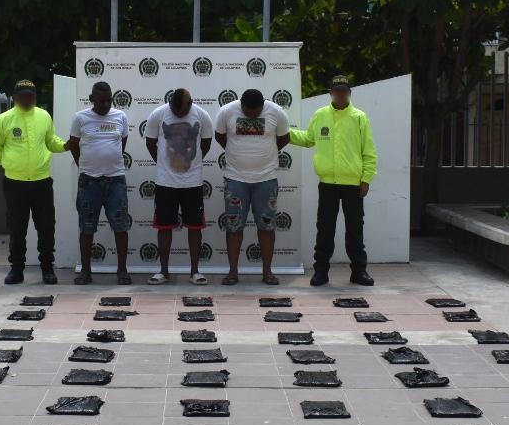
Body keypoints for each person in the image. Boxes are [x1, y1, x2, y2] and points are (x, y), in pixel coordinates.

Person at [289, 75, 378, 286]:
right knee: (325, 229)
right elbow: (308, 139)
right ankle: (321, 272)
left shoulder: (359, 117)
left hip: (353, 184)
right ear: (330, 93)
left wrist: (366, 179)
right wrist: (285, 132)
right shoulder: (320, 115)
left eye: (344, 91)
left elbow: (369, 151)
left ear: (349, 93)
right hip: (327, 183)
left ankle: (359, 272)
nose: (340, 94)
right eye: (336, 91)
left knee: (355, 229)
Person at [0, 79, 68, 285]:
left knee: (46, 227)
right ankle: (16, 269)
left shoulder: (44, 116)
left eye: (30, 96)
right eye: (22, 96)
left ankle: (47, 268)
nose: (26, 100)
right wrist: (10, 164)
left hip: (42, 182)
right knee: (17, 228)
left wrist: (65, 146)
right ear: (14, 97)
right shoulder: (3, 119)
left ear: (35, 97)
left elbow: (50, 141)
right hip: (15, 183)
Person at [213, 88, 289, 285]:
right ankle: (232, 272)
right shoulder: (227, 111)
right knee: (233, 226)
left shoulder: (276, 112)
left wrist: (267, 155)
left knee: (267, 226)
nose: (253, 115)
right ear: (242, 105)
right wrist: (236, 153)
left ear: (263, 105)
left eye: (257, 112)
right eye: (249, 112)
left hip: (266, 179)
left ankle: (267, 272)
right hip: (235, 179)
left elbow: (284, 138)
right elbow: (220, 136)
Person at [143, 88, 214, 286]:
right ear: (169, 103)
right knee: (164, 227)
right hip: (165, 182)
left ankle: (195, 272)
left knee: (195, 227)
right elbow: (150, 142)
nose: (178, 114)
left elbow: (206, 143)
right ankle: (163, 271)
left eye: (182, 111)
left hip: (193, 182)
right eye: (174, 110)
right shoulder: (158, 114)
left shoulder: (202, 115)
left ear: (191, 103)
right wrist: (163, 163)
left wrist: (192, 162)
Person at [67, 81, 132, 285]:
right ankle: (86, 272)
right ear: (91, 99)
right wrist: (85, 166)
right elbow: (73, 145)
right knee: (87, 228)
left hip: (116, 180)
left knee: (121, 226)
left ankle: (122, 271)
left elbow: (122, 143)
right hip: (89, 181)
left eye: (108, 100)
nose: (105, 105)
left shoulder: (120, 116)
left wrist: (108, 161)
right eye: (101, 101)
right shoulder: (80, 118)